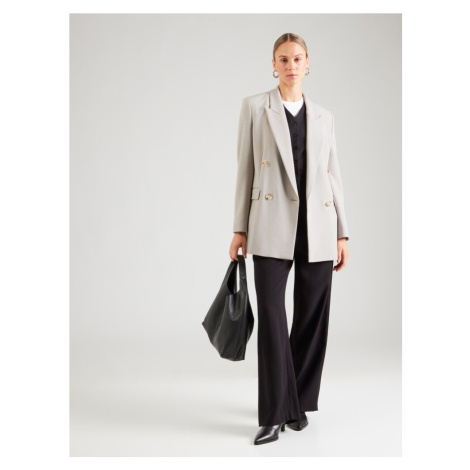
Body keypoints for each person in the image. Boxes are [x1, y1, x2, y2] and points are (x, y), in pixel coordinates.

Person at [229, 33, 350, 445]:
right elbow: (245, 169)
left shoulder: (324, 116)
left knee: (313, 317)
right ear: (273, 65)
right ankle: (273, 413)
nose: (291, 65)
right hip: (269, 222)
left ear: (308, 63)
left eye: (298, 58)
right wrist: (239, 228)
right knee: (272, 316)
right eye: (283, 59)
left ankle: (295, 403)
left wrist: (342, 231)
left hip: (318, 225)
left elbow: (333, 174)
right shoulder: (254, 108)